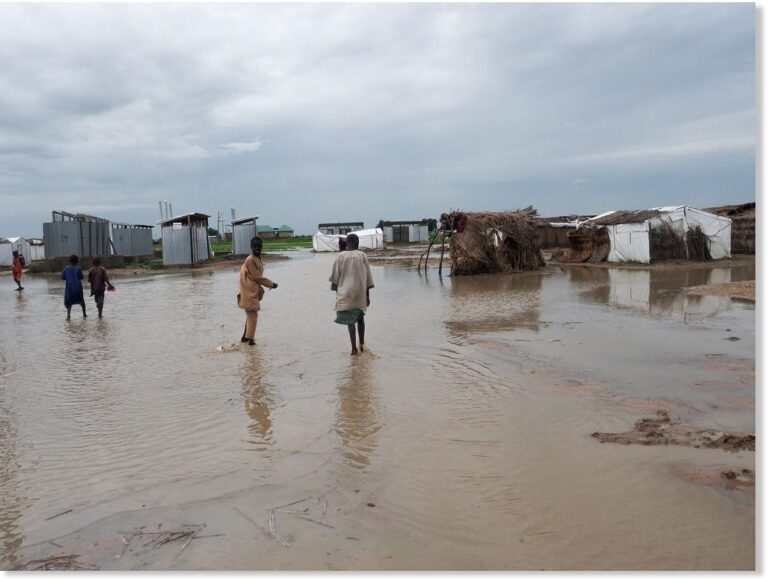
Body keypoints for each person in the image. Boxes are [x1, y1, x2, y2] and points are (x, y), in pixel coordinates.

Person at [329, 233, 374, 356]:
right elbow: (368, 278)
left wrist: (337, 294)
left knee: (350, 322)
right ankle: (362, 344)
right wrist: (367, 296)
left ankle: (354, 349)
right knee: (360, 318)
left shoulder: (340, 257)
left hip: (346, 293)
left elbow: (335, 278)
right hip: (360, 293)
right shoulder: (362, 256)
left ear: (346, 244)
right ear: (358, 244)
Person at [238, 236, 278, 345]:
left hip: (252, 290)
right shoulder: (250, 259)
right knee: (253, 315)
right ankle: (250, 340)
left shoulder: (258, 258)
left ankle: (245, 338)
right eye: (255, 247)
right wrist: (271, 284)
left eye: (259, 246)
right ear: (251, 247)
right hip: (248, 290)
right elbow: (257, 277)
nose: (257, 249)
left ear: (261, 247)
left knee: (250, 314)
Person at [61, 254, 86, 320]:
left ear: (69, 261)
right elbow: (82, 277)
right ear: (77, 261)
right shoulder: (78, 268)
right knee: (81, 300)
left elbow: (62, 277)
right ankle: (84, 314)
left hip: (70, 288)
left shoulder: (66, 268)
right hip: (78, 288)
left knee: (69, 302)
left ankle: (68, 316)